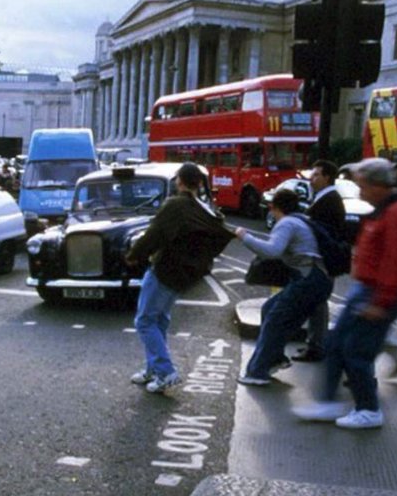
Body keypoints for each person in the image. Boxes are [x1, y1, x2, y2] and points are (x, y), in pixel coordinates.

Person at [294, 158, 397, 429]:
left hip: (378, 292)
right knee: (336, 344)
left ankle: (369, 409)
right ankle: (326, 403)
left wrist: (381, 302)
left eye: (362, 185)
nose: (359, 191)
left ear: (377, 185)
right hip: (365, 289)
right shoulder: (383, 209)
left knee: (356, 351)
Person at [126, 162, 234, 393]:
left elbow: (154, 233)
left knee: (145, 321)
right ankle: (153, 369)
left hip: (165, 269)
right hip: (185, 274)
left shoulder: (175, 204)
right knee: (159, 320)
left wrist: (134, 255)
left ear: (180, 181)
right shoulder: (205, 208)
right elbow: (219, 235)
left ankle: (165, 372)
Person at [235, 187, 333, 385]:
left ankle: (258, 372)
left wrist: (244, 236)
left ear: (273, 207)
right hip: (316, 279)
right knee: (269, 309)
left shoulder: (286, 223)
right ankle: (276, 358)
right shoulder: (301, 220)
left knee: (275, 320)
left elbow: (272, 251)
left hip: (308, 280)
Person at [292, 159, 347, 362]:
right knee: (317, 303)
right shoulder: (324, 197)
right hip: (322, 261)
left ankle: (316, 347)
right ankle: (316, 344)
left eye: (316, 175)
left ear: (327, 177)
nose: (311, 179)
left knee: (316, 303)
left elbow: (321, 233)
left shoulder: (329, 200)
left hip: (322, 261)